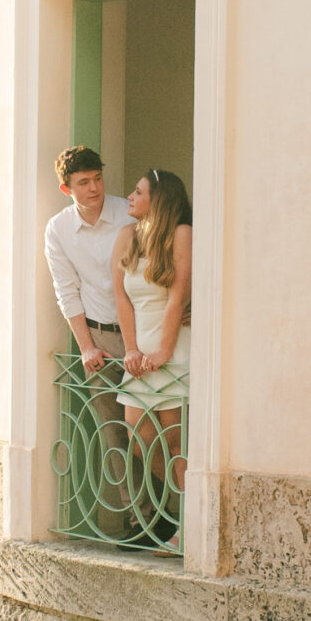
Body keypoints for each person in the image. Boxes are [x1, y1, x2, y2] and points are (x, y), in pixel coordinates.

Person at [43, 145, 131, 538]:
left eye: (97, 178)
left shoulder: (129, 213)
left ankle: (167, 517)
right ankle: (137, 518)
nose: (94, 188)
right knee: (114, 432)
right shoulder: (58, 229)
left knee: (151, 428)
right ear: (67, 189)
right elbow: (66, 289)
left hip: (142, 334)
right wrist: (86, 346)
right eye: (83, 183)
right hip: (98, 335)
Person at [112, 168, 192, 543]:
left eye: (138, 191)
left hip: (173, 348)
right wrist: (131, 349)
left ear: (158, 199)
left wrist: (164, 350)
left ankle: (188, 525)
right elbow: (121, 298)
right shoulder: (127, 236)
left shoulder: (181, 233)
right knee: (140, 436)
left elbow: (178, 296)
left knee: (176, 441)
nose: (130, 196)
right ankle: (180, 509)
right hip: (140, 354)